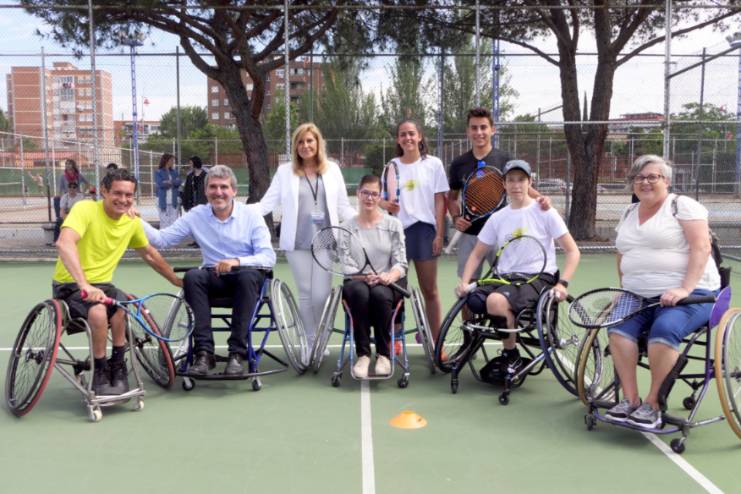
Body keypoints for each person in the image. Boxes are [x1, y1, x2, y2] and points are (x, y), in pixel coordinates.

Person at [603, 154, 720, 430]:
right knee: (617, 330)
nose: (645, 182)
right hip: (638, 295)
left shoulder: (682, 206)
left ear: (666, 181)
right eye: (639, 177)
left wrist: (684, 289)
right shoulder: (629, 212)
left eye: (652, 177)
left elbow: (701, 247)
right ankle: (630, 400)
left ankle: (653, 404)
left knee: (663, 331)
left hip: (693, 292)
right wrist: (625, 287)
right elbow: (622, 253)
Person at [54, 168, 182, 396]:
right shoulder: (84, 209)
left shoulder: (131, 222)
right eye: (117, 193)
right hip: (71, 285)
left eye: (128, 195)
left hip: (104, 286)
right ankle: (100, 371)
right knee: (98, 311)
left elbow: (150, 254)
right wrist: (84, 285)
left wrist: (176, 280)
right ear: (104, 191)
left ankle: (118, 366)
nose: (123, 200)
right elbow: (65, 243)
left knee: (122, 306)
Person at [142, 165, 276, 376]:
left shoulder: (251, 215)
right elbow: (162, 239)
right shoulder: (197, 215)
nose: (218, 192)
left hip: (247, 277)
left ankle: (237, 354)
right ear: (206, 191)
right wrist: (135, 220)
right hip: (214, 277)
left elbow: (268, 257)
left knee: (247, 276)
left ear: (234, 191)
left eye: (224, 187)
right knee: (193, 276)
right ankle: (204, 353)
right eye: (213, 187)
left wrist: (236, 261)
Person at [457, 160, 580, 374]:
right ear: (504, 184)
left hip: (538, 278)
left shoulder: (545, 212)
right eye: (511, 180)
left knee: (495, 301)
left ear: (530, 182)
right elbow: (476, 254)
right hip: (505, 278)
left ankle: (511, 354)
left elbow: (573, 251)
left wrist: (562, 284)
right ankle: (505, 332)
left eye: (521, 180)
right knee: (473, 299)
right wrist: (464, 282)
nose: (516, 185)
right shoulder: (497, 218)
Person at [257, 123, 354, 348]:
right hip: (297, 241)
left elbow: (343, 206)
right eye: (300, 142)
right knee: (305, 293)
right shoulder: (284, 171)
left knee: (321, 295)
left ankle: (320, 337)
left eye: (310, 140)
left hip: (325, 240)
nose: (305, 145)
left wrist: (368, 219)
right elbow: (266, 204)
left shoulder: (332, 169)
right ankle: (309, 343)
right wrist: (235, 210)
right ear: (295, 146)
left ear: (318, 143)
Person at [448, 107, 549, 280]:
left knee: (505, 282)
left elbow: (523, 187)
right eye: (474, 128)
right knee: (467, 287)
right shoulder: (459, 164)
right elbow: (451, 198)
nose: (479, 132)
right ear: (468, 131)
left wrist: (541, 199)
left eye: (483, 127)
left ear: (492, 130)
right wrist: (456, 218)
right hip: (470, 235)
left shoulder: (505, 159)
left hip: (501, 234)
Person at [379, 119, 448, 342]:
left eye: (411, 133)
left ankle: (435, 340)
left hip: (425, 233)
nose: (407, 138)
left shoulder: (434, 164)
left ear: (419, 136)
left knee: (430, 290)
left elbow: (440, 201)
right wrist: (386, 204)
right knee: (395, 289)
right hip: (397, 234)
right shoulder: (391, 166)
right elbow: (380, 199)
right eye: (403, 134)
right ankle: (396, 337)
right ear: (398, 140)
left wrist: (439, 234)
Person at [342, 175, 408, 378]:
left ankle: (383, 355)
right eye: (365, 193)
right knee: (360, 293)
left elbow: (401, 262)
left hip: (386, 282)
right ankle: (363, 355)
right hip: (356, 281)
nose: (369, 198)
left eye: (374, 194)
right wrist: (363, 277)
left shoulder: (393, 224)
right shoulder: (346, 227)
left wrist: (389, 275)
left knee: (380, 295)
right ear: (358, 194)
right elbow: (346, 263)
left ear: (380, 197)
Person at [155, 153, 181, 229]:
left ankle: (173, 236)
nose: (173, 162)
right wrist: (173, 182)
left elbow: (178, 182)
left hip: (174, 201)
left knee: (174, 222)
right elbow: (160, 184)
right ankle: (164, 236)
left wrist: (168, 182)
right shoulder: (158, 172)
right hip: (163, 201)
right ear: (166, 161)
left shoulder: (175, 172)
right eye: (171, 160)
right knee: (164, 222)